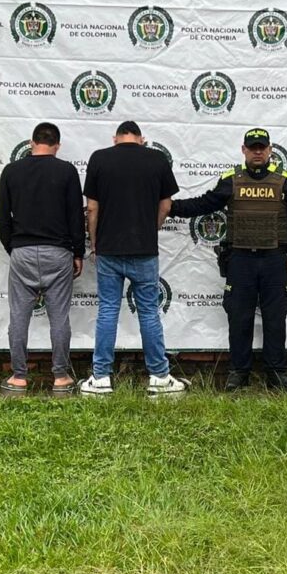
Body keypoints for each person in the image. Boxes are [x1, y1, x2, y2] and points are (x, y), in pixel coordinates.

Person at [169, 127, 287, 392]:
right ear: (243, 150)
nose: (257, 151)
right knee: (239, 317)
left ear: (270, 150)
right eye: (252, 147)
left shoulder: (285, 180)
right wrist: (171, 207)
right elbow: (205, 203)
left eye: (262, 147)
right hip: (240, 260)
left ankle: (276, 373)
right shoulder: (232, 179)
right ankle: (238, 373)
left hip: (274, 260)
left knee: (275, 318)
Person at [79, 121, 189, 396]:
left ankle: (101, 378)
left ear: (115, 138)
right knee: (149, 313)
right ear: (142, 139)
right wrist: (151, 229)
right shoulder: (156, 159)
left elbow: (92, 208)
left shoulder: (99, 158)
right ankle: (160, 377)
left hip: (109, 250)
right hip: (144, 249)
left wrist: (95, 242)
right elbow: (166, 205)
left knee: (107, 311)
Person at [0, 122, 85, 394]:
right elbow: (75, 216)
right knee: (59, 317)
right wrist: (78, 252)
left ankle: (19, 377)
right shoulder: (67, 171)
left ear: (31, 143)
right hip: (58, 252)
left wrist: (14, 247)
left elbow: (2, 217)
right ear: (56, 146)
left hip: (22, 250)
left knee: (18, 317)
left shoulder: (11, 171)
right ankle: (60, 377)